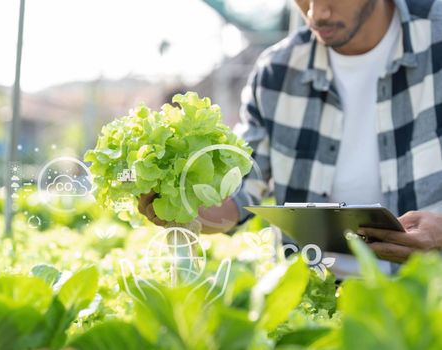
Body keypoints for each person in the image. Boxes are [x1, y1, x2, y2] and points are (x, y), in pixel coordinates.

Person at [140, 0, 442, 266]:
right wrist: (184, 207)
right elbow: (240, 186)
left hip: (426, 302)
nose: (315, 13)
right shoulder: (276, 73)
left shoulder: (435, 39)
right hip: (312, 309)